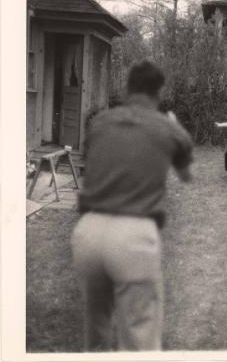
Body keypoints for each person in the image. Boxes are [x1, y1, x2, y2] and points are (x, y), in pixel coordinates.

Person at [71, 61, 193, 351]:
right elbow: (187, 176)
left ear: (128, 88)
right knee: (139, 337)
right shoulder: (169, 128)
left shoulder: (99, 121)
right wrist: (175, 130)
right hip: (134, 235)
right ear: (159, 92)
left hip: (88, 231)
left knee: (96, 331)